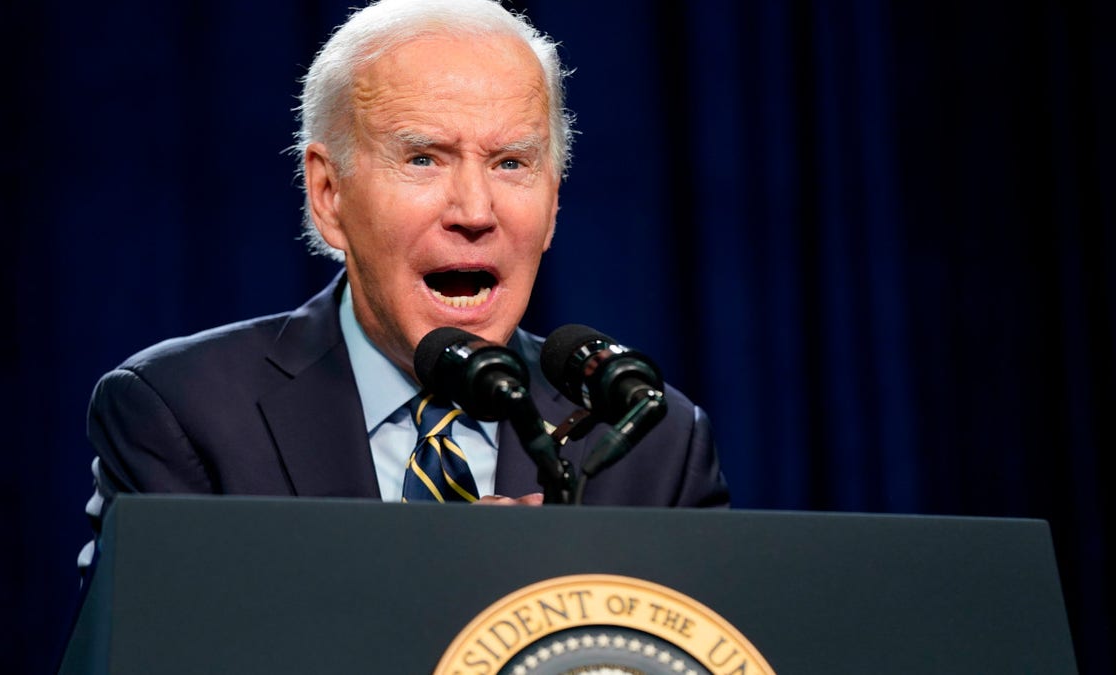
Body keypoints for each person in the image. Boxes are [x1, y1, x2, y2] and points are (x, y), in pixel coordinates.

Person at [79, 0, 729, 569]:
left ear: (554, 205)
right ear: (328, 194)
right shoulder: (183, 413)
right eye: (424, 159)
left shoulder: (652, 437)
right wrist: (439, 585)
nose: (475, 211)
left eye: (511, 163)